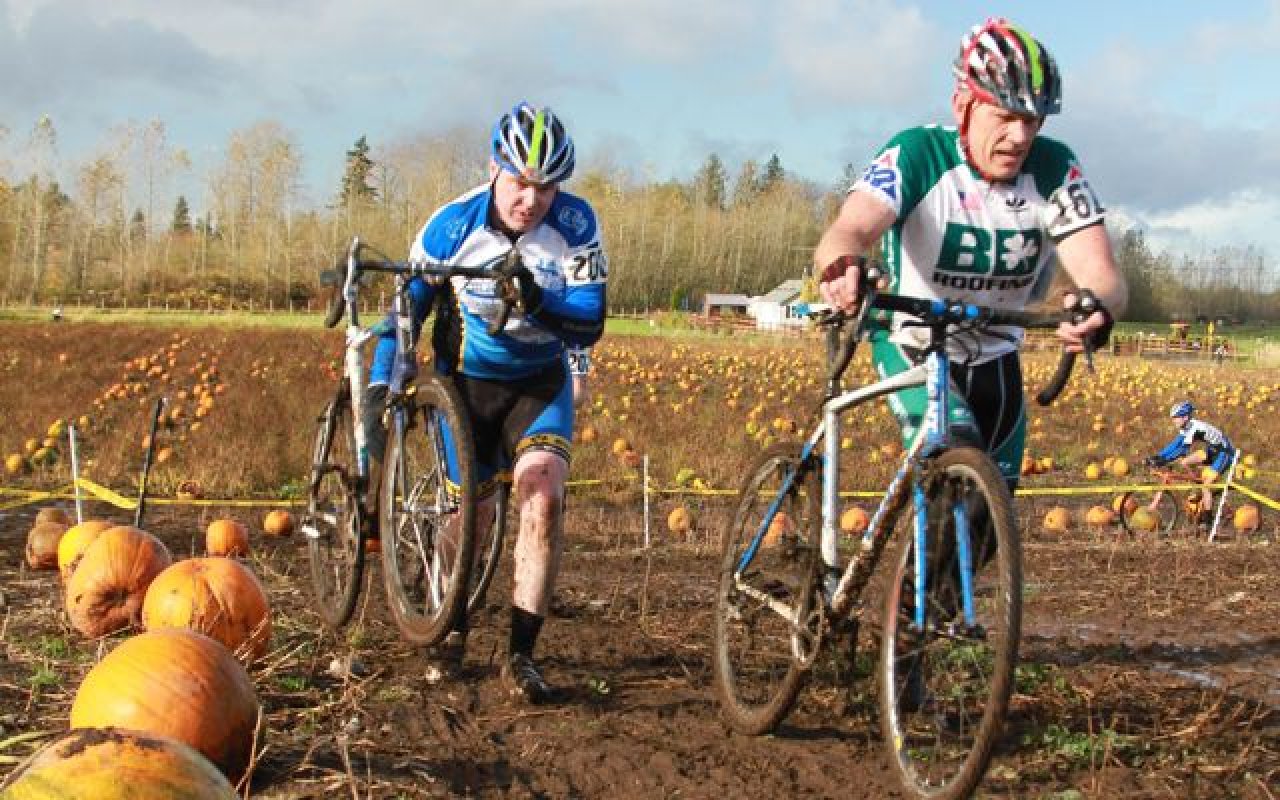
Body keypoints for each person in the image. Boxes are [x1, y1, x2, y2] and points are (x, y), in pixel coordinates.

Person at [815, 17, 1128, 494]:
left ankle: (929, 569)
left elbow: (1101, 273)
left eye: (1032, 121)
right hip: (915, 345)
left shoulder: (1054, 167)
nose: (1021, 137)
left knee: (987, 518)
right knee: (952, 469)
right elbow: (850, 229)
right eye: (1004, 116)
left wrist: (1096, 306)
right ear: (963, 106)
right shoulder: (918, 154)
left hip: (998, 356)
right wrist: (843, 266)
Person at [364, 101, 607, 703]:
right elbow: (404, 311)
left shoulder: (576, 226)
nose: (532, 198)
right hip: (466, 387)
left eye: (546, 186)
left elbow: (591, 321)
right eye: (521, 182)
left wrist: (539, 302)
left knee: (543, 500)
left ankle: (521, 654)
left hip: (537, 384)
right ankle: (451, 623)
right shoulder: (451, 226)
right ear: (495, 167)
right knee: (470, 519)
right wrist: (381, 383)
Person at [1144, 401, 1235, 525]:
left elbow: (1182, 450)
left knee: (1205, 485)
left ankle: (1207, 521)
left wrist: (1164, 460)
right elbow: (1175, 445)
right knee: (1185, 462)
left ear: (1185, 417)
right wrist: (1158, 456)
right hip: (1211, 451)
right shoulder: (1186, 427)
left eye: (1175, 418)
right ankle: (1199, 491)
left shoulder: (1195, 429)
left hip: (1224, 453)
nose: (1173, 421)